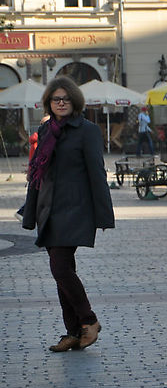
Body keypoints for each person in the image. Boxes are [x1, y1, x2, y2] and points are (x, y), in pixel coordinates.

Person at [21, 76, 114, 352]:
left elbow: (97, 172)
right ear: (49, 102)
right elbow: (37, 174)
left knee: (60, 267)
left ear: (74, 101)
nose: (60, 103)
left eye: (65, 99)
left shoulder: (87, 130)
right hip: (48, 210)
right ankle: (73, 332)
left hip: (75, 209)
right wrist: (30, 211)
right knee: (63, 271)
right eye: (55, 99)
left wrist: (103, 214)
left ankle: (89, 320)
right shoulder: (47, 130)